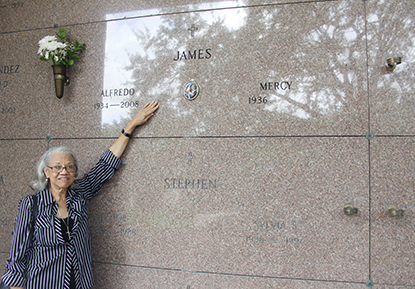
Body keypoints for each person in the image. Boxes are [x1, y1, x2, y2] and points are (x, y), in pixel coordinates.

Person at [1, 101, 159, 289]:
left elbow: (105, 165)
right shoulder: (30, 204)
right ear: (46, 172)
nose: (63, 171)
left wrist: (131, 125)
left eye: (69, 167)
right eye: (57, 167)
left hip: (79, 284)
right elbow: (17, 258)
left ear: (74, 172)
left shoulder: (79, 196)